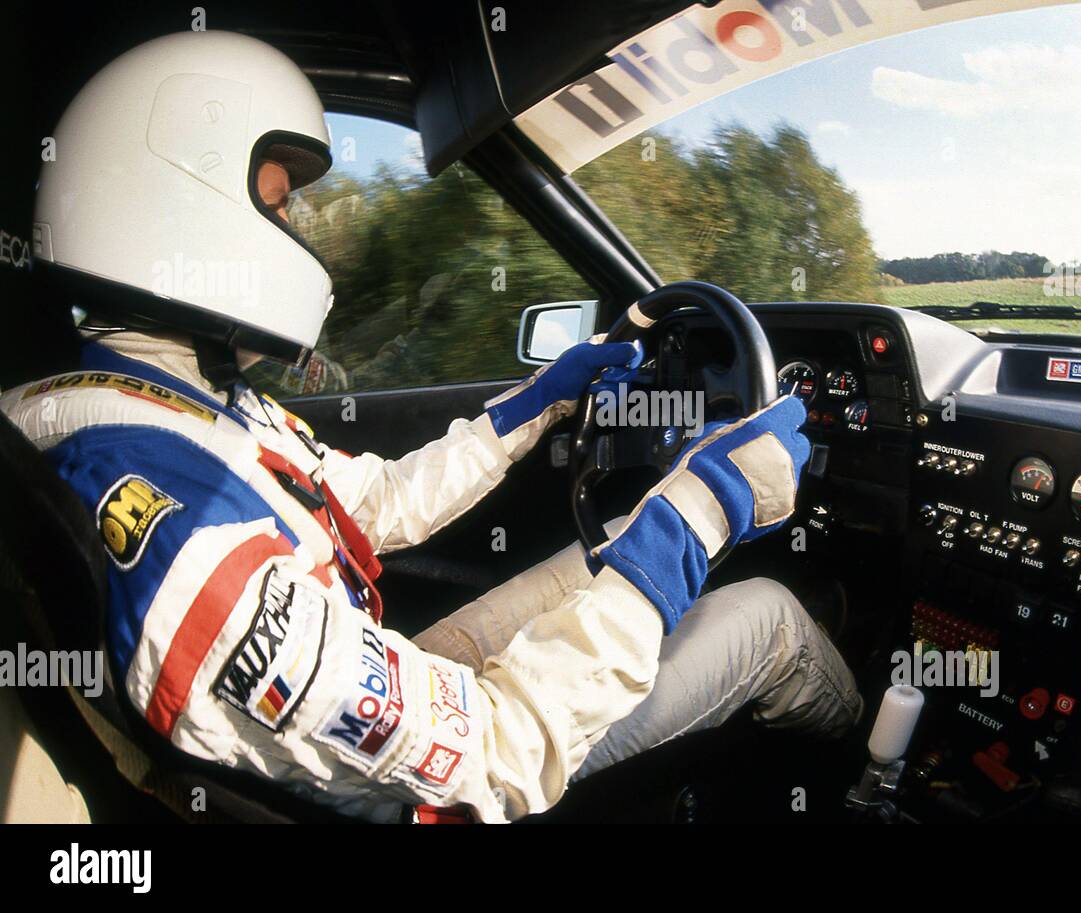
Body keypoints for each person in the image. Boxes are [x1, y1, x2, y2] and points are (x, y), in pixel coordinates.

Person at [1, 30, 862, 822]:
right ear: (172, 211)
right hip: (435, 785)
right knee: (771, 618)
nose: (293, 229)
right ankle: (871, 778)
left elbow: (372, 504)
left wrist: (535, 406)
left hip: (366, 671)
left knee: (620, 536)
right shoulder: (183, 542)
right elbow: (499, 751)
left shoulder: (145, 400)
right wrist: (705, 511)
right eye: (273, 205)